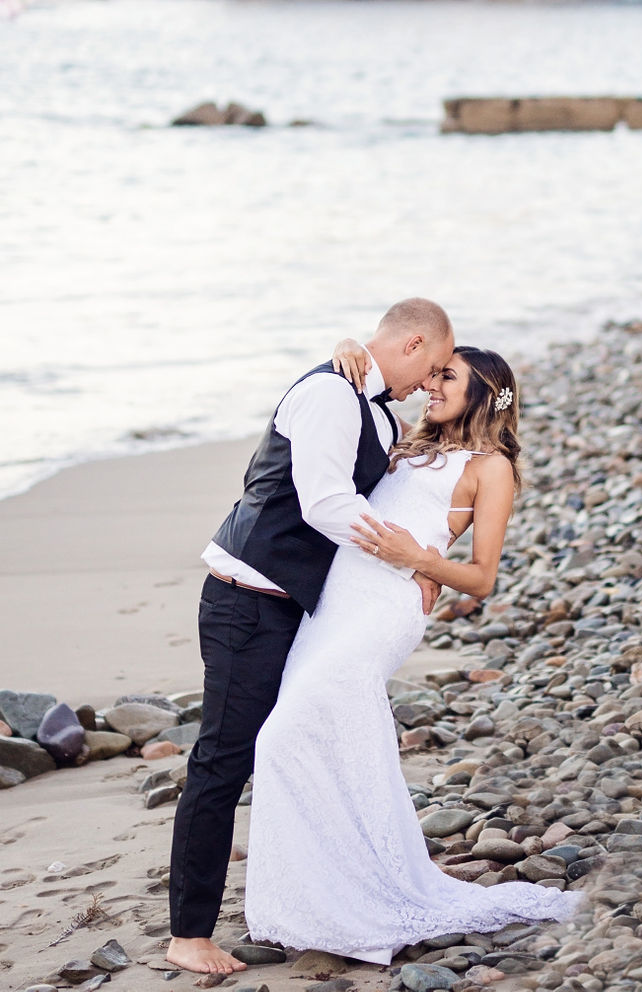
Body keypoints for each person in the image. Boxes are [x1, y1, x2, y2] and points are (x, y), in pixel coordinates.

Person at [242, 343, 582, 963]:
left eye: (447, 378)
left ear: (484, 391)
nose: (433, 386)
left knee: (281, 737)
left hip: (384, 607)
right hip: (333, 603)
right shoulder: (405, 439)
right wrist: (349, 347)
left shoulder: (491, 466)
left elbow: (482, 578)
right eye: (433, 375)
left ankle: (352, 894)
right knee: (326, 737)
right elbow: (354, 415)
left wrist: (422, 562)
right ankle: (320, 894)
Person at [166, 298, 455, 977]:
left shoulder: (374, 407)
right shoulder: (331, 395)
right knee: (223, 760)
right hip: (246, 603)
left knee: (295, 745)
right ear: (413, 343)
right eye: (433, 366)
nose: (430, 383)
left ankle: (317, 901)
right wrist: (407, 557)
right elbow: (325, 501)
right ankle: (187, 933)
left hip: (292, 608)